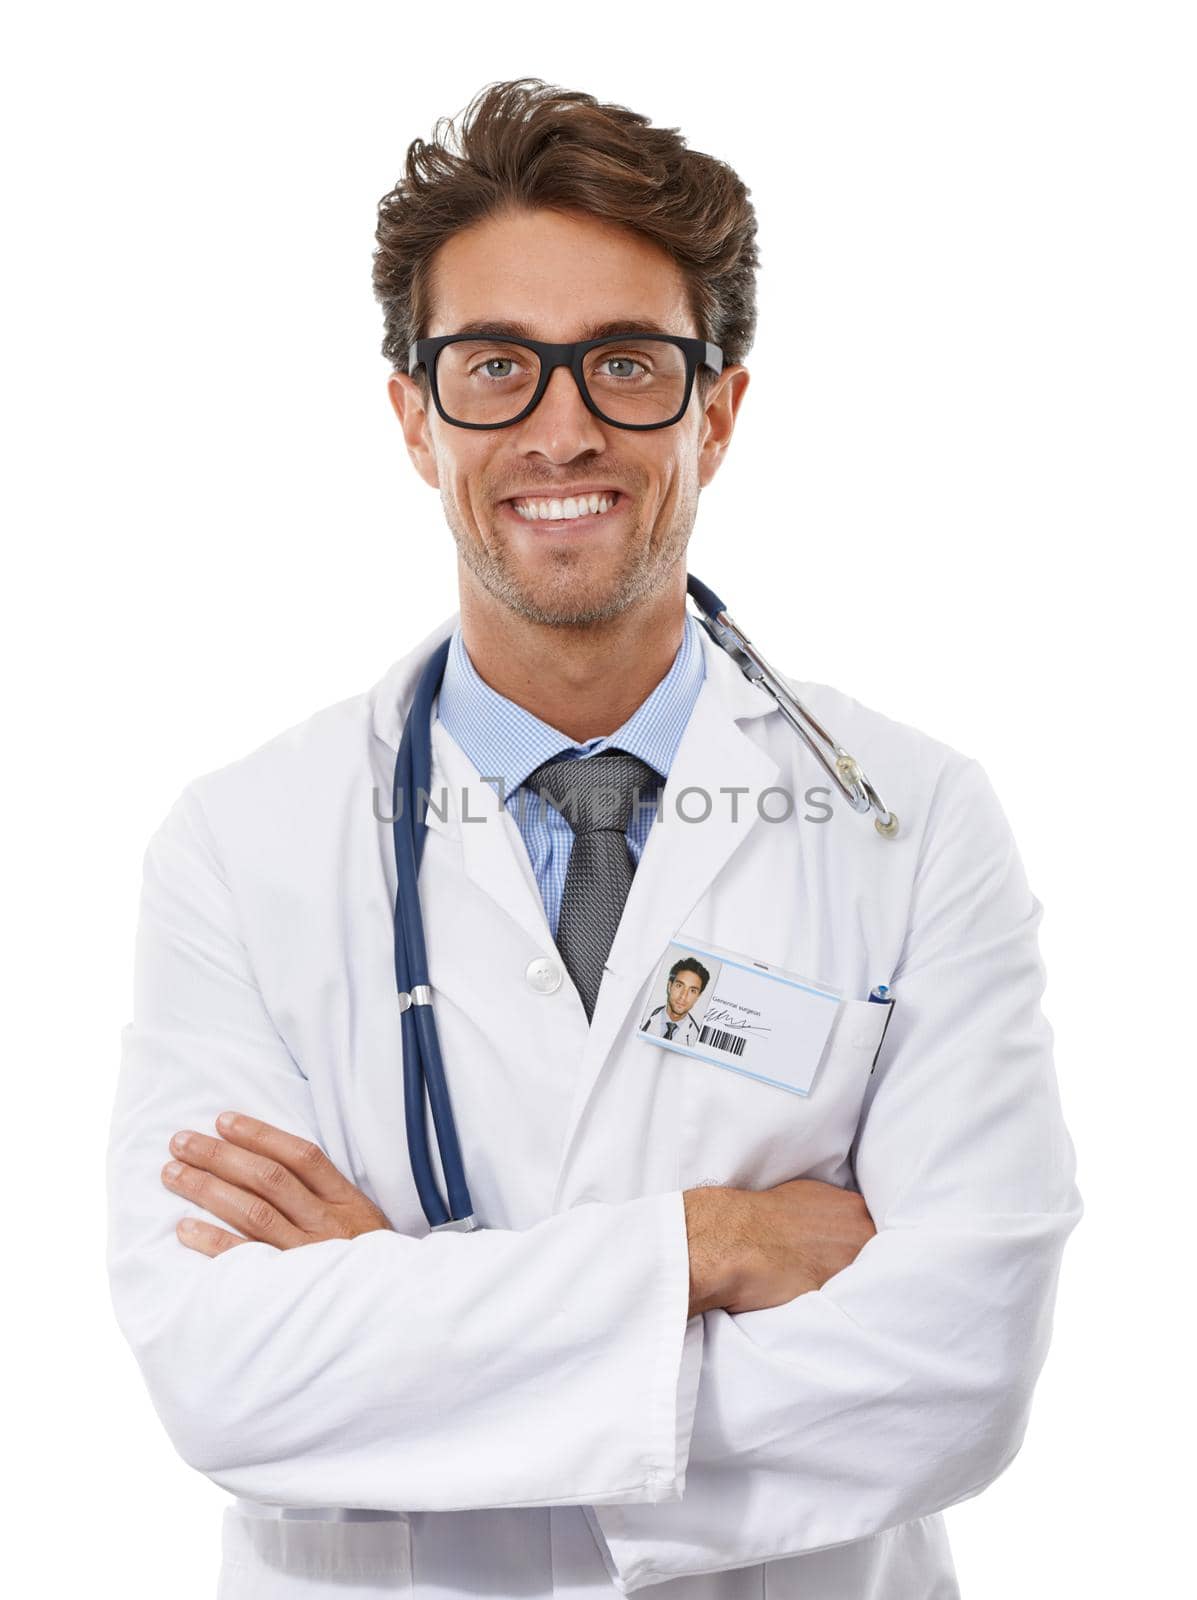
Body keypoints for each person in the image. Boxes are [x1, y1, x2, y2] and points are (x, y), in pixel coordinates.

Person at [106, 77, 1083, 1599]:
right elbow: (225, 1376)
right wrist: (701, 1247)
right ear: (414, 419)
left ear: (719, 408)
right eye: (496, 366)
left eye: (625, 363)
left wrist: (408, 1316)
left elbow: (958, 1364)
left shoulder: (914, 819)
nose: (562, 428)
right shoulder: (241, 847)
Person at [641, 957, 710, 1046]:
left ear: (698, 996)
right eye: (679, 985)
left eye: (692, 991)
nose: (683, 996)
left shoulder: (696, 1037)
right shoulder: (643, 1016)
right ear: (669, 986)